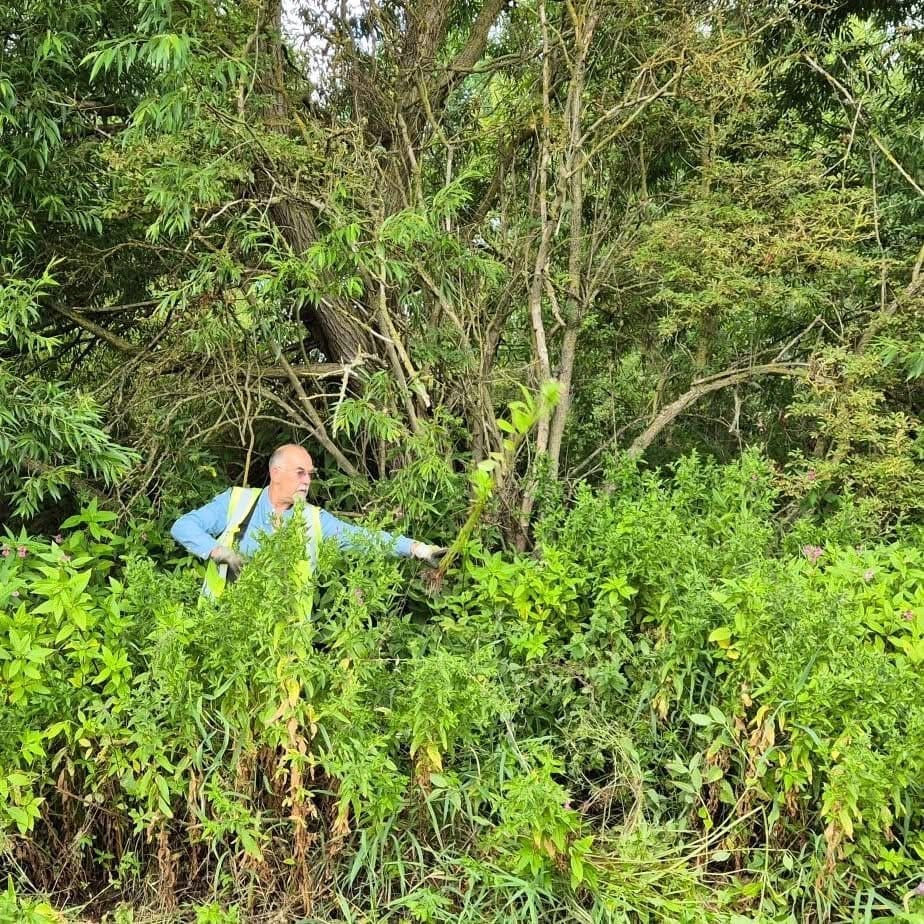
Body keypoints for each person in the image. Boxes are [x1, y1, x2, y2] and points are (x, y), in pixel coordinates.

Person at [171, 444, 446, 590]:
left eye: (310, 474)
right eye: (300, 472)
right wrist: (219, 551)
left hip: (284, 644)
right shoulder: (236, 501)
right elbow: (183, 526)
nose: (307, 481)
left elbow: (362, 538)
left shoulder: (315, 520)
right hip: (224, 630)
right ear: (276, 473)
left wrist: (416, 549)